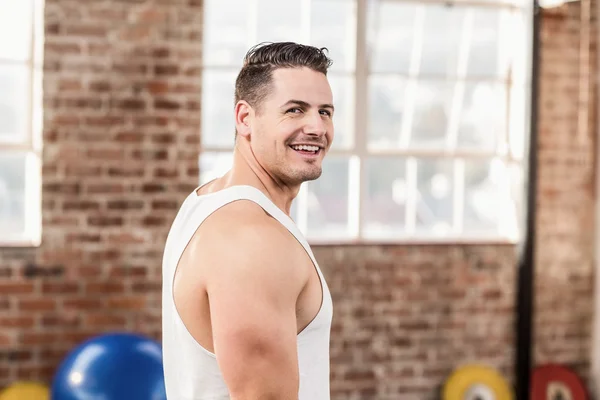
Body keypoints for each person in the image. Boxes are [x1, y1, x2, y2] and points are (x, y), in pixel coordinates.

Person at [161, 42, 335, 400]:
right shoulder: (251, 239)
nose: (316, 127)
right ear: (245, 118)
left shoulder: (207, 200)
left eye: (325, 111)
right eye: (295, 110)